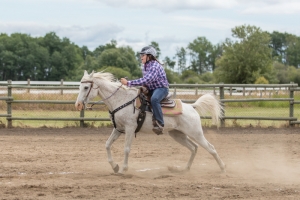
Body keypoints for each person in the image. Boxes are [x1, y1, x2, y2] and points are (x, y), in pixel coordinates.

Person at [120, 46, 169, 135]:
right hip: (152, 88)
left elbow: (146, 80)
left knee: (154, 99)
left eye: (143, 55)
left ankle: (160, 123)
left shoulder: (154, 66)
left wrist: (128, 83)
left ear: (149, 56)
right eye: (141, 55)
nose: (141, 57)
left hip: (161, 88)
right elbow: (145, 81)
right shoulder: (145, 66)